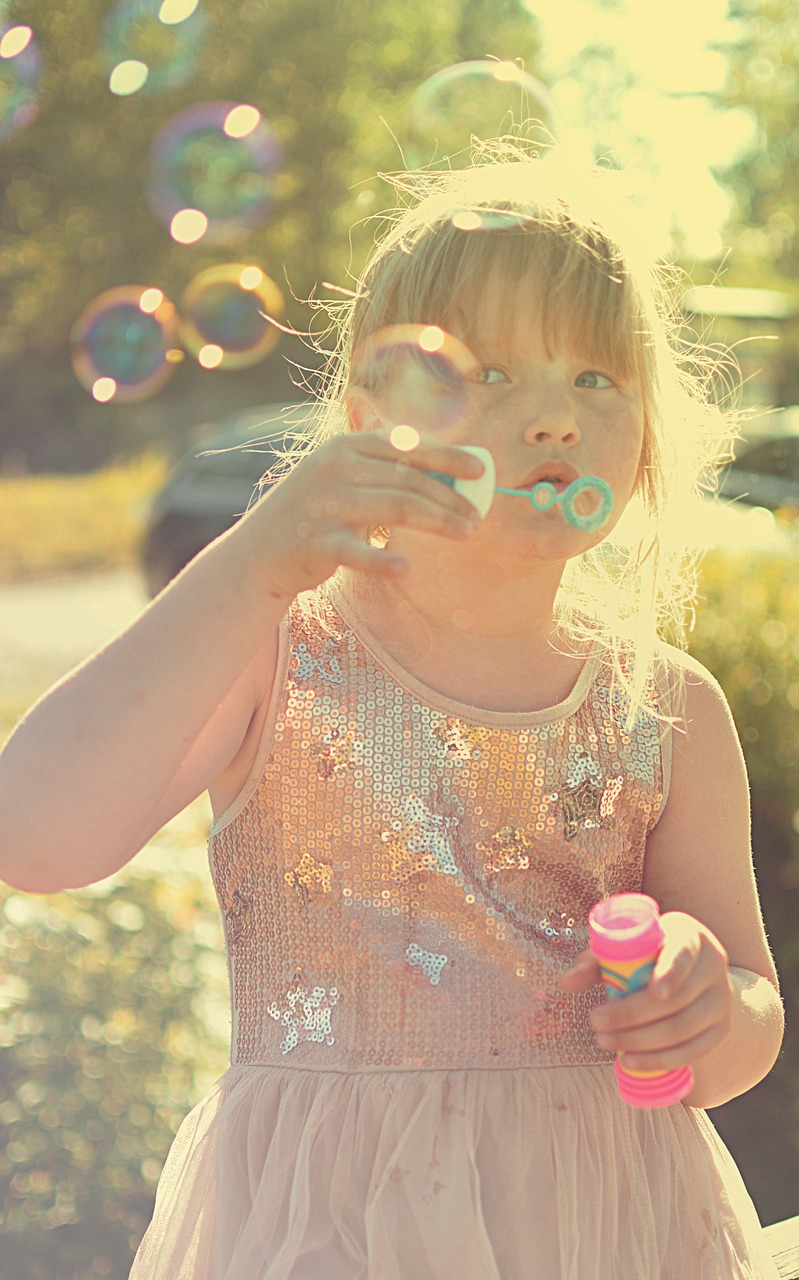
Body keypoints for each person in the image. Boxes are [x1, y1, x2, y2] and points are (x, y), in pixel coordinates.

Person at [0, 142, 784, 1279]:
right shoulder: (283, 653)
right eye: (495, 374)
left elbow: (747, 1021)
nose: (555, 419)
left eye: (595, 379)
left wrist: (708, 1005)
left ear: (650, 436)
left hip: (608, 1229)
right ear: (378, 414)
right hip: (332, 1229)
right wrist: (256, 563)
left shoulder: (665, 704)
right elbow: (35, 833)